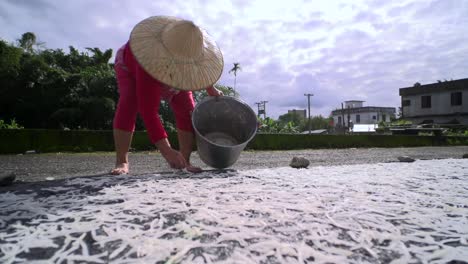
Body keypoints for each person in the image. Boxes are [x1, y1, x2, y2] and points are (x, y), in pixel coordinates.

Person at [111, 16, 224, 175]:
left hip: (179, 71)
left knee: (187, 110)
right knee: (129, 102)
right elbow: (148, 111)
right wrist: (167, 151)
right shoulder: (147, 59)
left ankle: (184, 160)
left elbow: (201, 70)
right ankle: (122, 160)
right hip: (133, 67)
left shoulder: (191, 54)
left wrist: (210, 88)